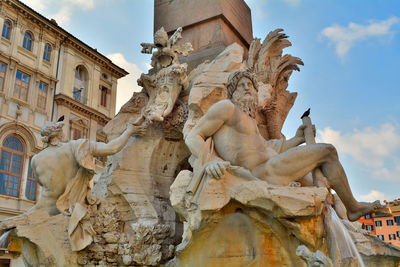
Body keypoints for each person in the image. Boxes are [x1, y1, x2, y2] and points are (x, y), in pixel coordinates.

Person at [185, 70, 381, 221]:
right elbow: (194, 135)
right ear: (232, 92)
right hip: (261, 173)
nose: (246, 88)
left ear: (255, 92)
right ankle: (353, 208)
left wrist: (296, 139)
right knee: (327, 151)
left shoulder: (250, 121)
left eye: (250, 85)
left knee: (319, 182)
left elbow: (269, 148)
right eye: (240, 85)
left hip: (273, 167)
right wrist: (208, 161)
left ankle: (345, 214)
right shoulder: (226, 108)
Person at [31, 120, 145, 216]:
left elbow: (41, 183)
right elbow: (112, 148)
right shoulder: (77, 146)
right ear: (59, 134)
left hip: (42, 211)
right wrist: (129, 132)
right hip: (69, 211)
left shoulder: (36, 159)